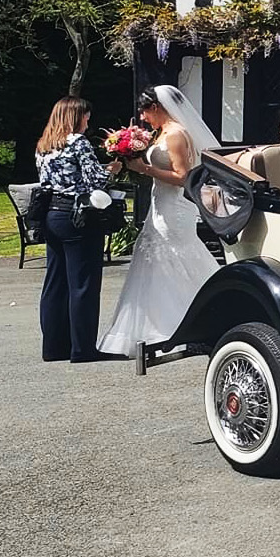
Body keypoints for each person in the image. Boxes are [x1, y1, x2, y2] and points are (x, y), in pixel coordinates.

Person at [98, 87, 225, 358]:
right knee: (154, 263)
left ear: (156, 107)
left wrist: (144, 169)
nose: (143, 118)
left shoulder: (177, 135)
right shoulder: (161, 133)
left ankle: (196, 320)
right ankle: (154, 326)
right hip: (160, 204)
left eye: (145, 111)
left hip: (175, 207)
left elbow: (183, 177)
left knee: (179, 261)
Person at [35, 97, 121, 362]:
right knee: (83, 284)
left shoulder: (44, 145)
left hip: (52, 214)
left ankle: (52, 347)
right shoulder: (78, 143)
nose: (88, 121)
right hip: (78, 216)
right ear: (75, 117)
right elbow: (95, 179)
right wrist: (115, 167)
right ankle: (83, 348)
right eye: (85, 116)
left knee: (55, 282)